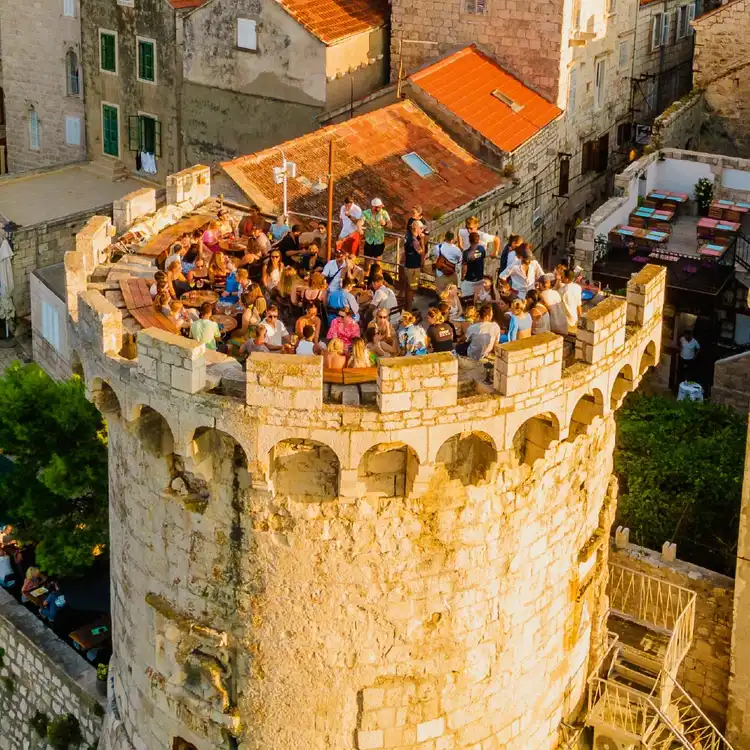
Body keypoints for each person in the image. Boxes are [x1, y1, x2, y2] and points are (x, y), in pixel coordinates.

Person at [403, 219, 425, 312]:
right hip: (413, 268)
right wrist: (422, 240)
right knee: (411, 289)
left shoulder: (408, 235)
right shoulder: (414, 241)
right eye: (421, 228)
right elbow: (421, 251)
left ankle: (408, 307)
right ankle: (408, 309)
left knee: (409, 288)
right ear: (416, 229)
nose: (422, 230)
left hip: (408, 265)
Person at [461, 232, 487, 297]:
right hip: (479, 278)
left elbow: (464, 266)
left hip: (469, 279)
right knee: (479, 298)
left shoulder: (465, 253)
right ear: (478, 240)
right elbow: (482, 257)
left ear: (469, 241)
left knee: (468, 298)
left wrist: (463, 277)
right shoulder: (481, 249)